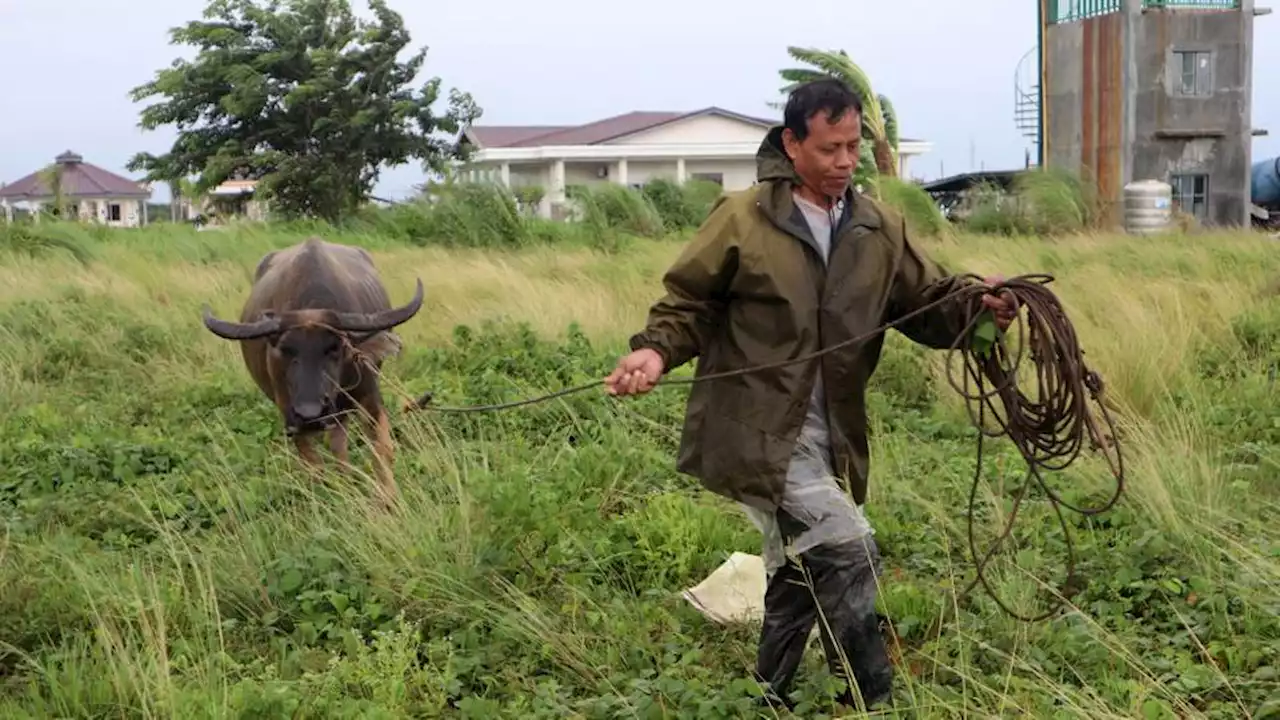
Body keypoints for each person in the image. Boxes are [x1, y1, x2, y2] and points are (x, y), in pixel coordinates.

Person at [604, 77, 1017, 710]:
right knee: (849, 550)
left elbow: (929, 306)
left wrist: (980, 311)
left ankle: (767, 693)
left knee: (800, 566)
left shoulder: (879, 228)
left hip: (835, 435)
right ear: (792, 145)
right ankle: (870, 698)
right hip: (758, 428)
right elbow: (690, 302)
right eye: (830, 148)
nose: (845, 162)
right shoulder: (742, 218)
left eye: (853, 146)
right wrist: (656, 350)